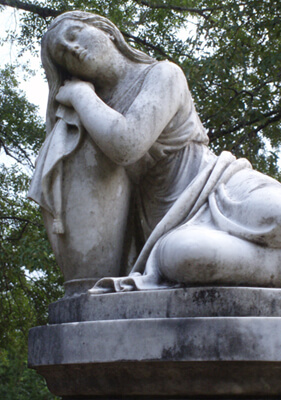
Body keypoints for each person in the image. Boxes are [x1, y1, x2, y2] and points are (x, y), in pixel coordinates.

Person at [29, 11, 281, 294]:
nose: (72, 48)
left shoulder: (164, 73)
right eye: (63, 54)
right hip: (168, 221)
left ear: (106, 31)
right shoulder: (90, 115)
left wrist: (79, 95)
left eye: (74, 35)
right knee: (182, 257)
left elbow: (127, 145)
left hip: (221, 186)